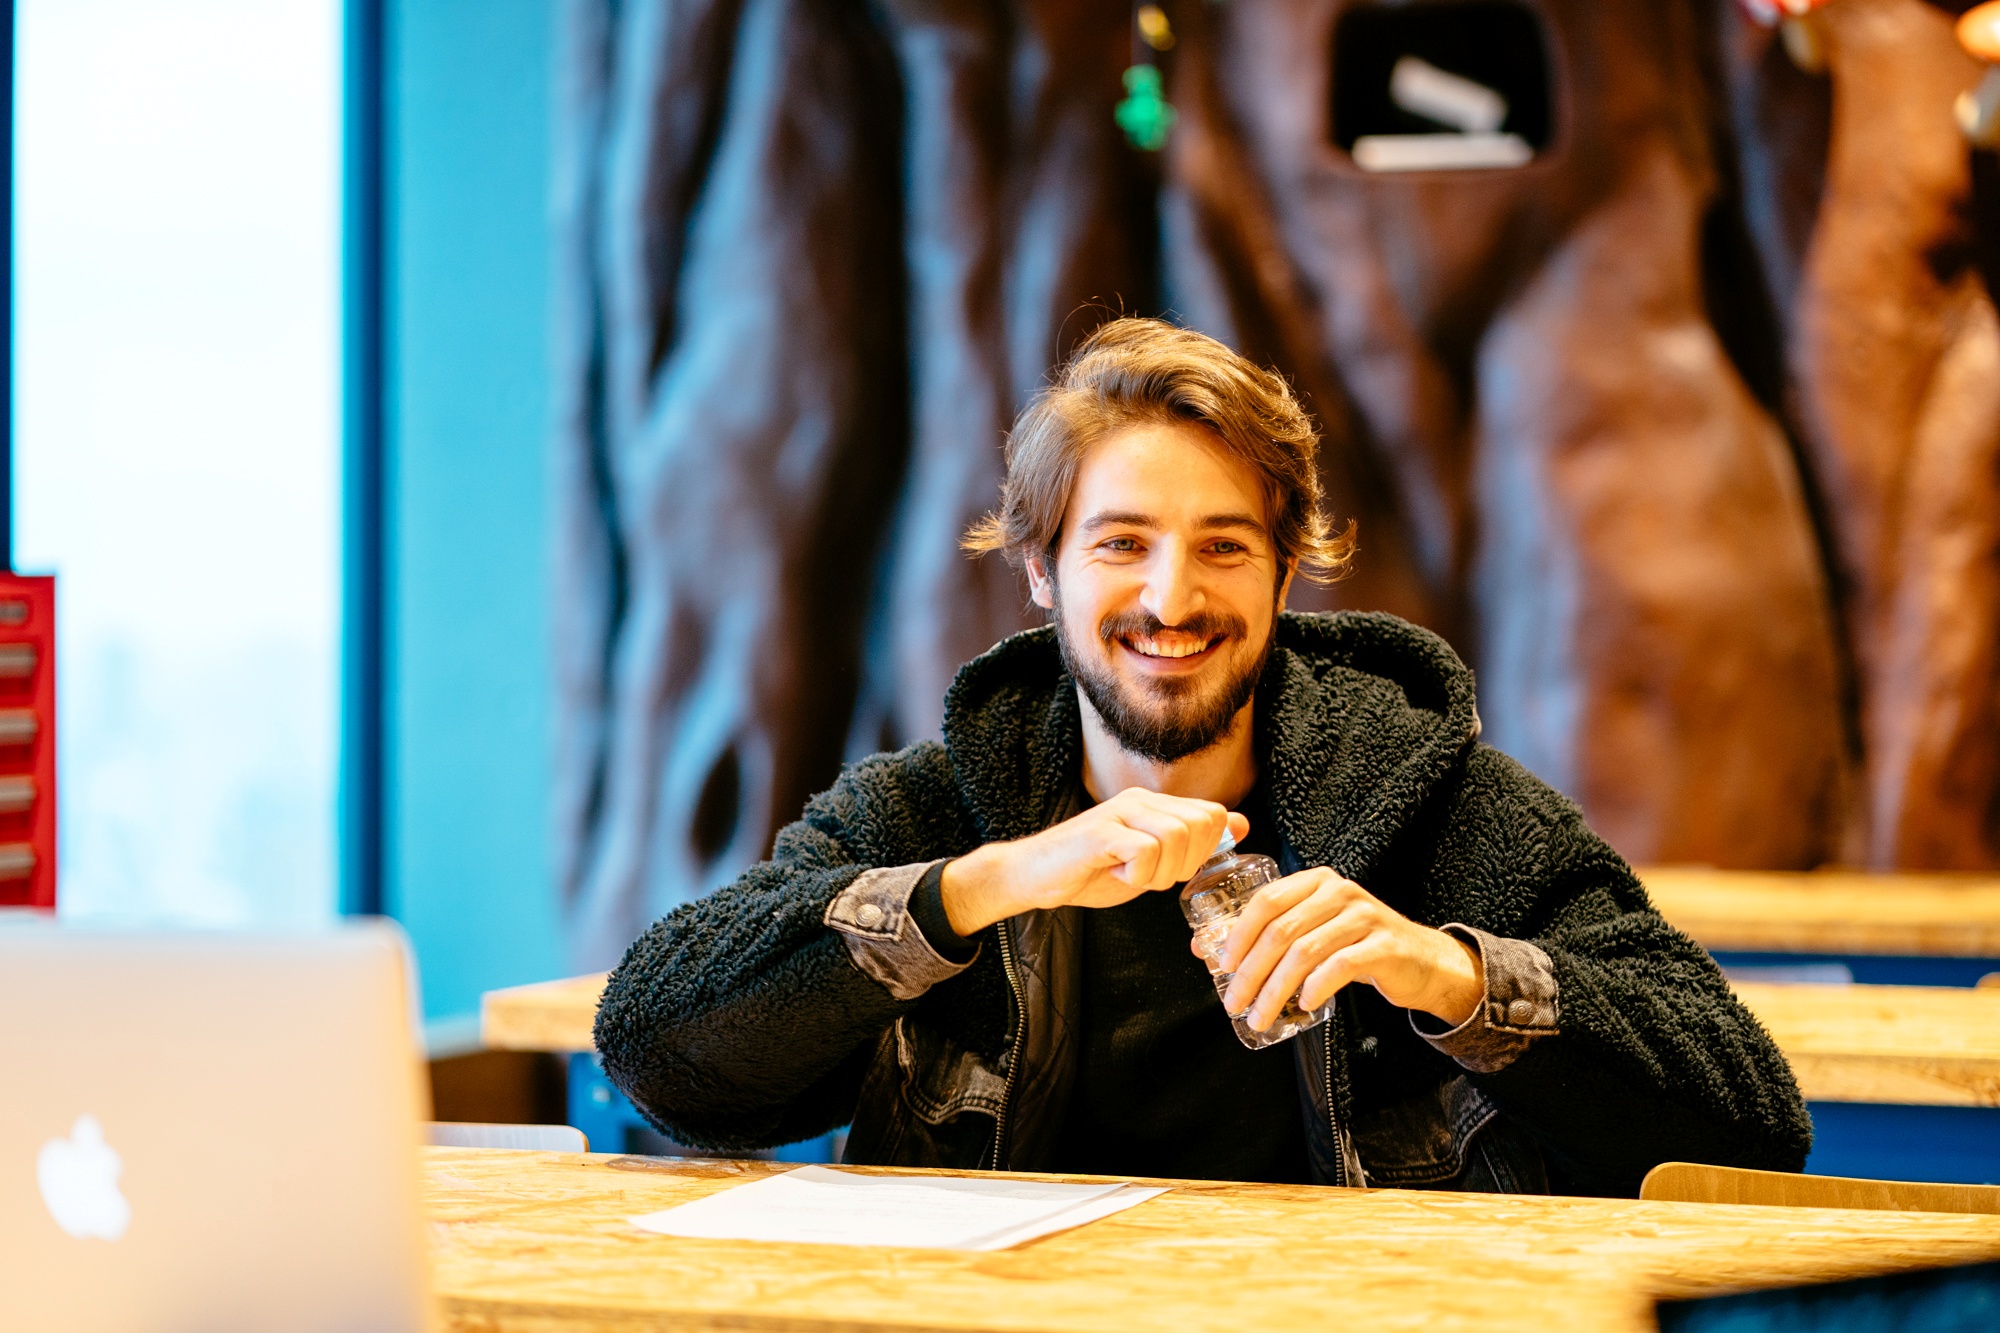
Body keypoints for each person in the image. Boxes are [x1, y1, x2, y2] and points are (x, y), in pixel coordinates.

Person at [594, 317, 1810, 1195]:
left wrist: (1443, 973)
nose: (1169, 599)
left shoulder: (1441, 806)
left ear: (1286, 571)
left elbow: (1751, 1121)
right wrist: (981, 885)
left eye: (1222, 548)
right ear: (1040, 570)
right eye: (1119, 544)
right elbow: (657, 1049)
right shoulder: (934, 807)